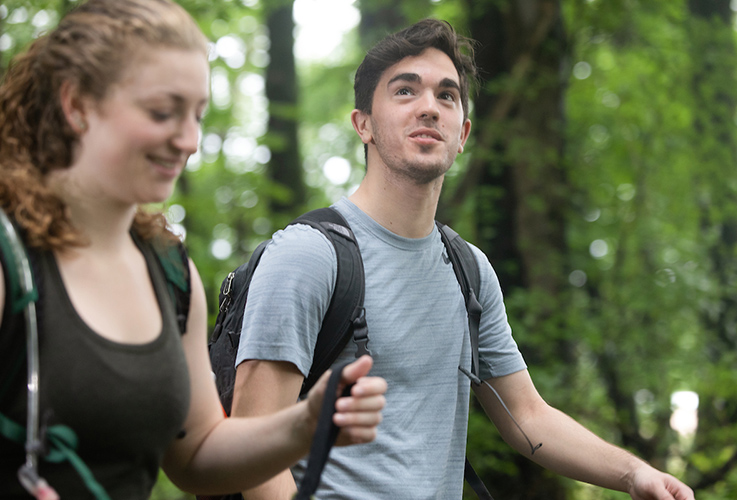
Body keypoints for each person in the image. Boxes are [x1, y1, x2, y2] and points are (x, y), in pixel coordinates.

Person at [231, 18, 695, 500]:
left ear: (463, 133)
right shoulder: (308, 255)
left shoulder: (468, 269)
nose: (429, 107)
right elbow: (250, 448)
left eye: (447, 95)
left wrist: (635, 474)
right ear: (363, 124)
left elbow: (528, 417)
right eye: (405, 92)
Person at [0, 1, 387, 499]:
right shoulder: (12, 260)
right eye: (163, 112)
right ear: (76, 105)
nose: (188, 140)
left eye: (197, 115)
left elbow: (198, 453)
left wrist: (305, 424)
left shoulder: (169, 270)